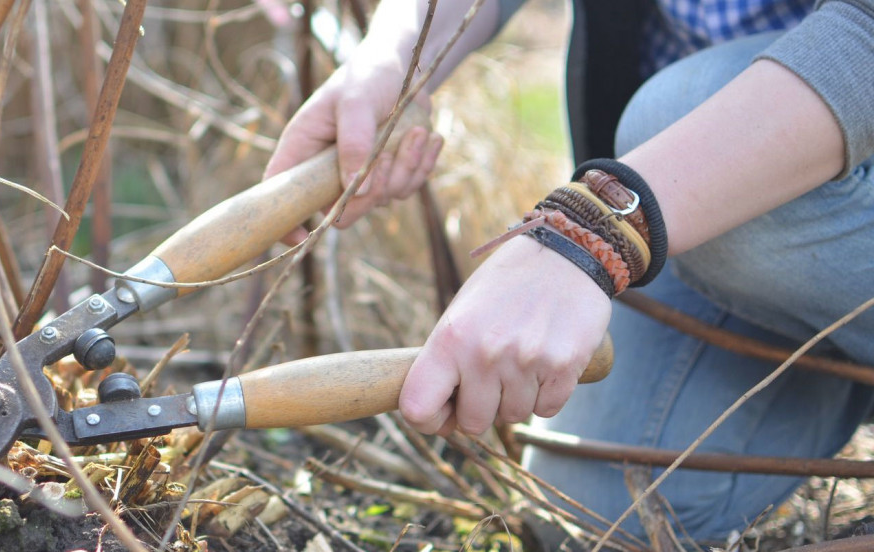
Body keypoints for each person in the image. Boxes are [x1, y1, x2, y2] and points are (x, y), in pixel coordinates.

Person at [265, 0, 874, 543]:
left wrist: (592, 232)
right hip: (727, 227)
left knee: (673, 111)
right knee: (602, 513)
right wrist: (392, 63)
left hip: (762, 176)